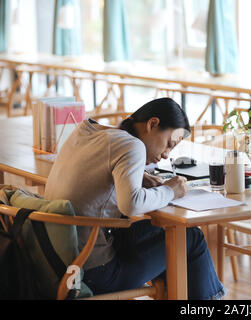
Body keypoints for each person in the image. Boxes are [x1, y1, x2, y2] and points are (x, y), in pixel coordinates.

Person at [44, 97, 226, 300]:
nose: (166, 155)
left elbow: (96, 172)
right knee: (189, 238)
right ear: (152, 124)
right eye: (168, 144)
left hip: (56, 261)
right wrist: (171, 191)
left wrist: (138, 177)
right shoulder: (132, 145)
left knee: (169, 234)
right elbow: (131, 204)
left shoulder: (86, 130)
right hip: (93, 272)